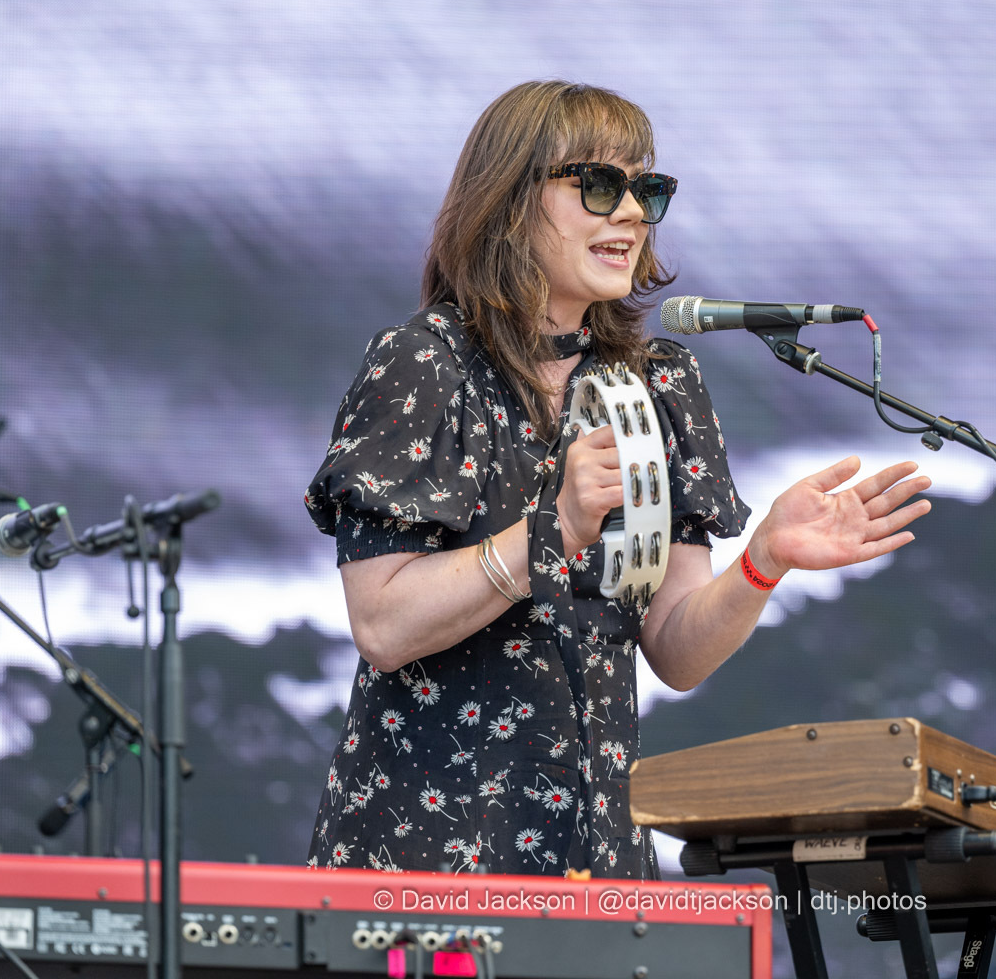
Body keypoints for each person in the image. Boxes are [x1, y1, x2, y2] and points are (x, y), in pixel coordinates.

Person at [302, 80, 932, 877]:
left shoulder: (659, 382)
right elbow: (384, 628)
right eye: (600, 185)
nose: (632, 212)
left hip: (597, 852)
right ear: (509, 201)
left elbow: (676, 651)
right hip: (428, 853)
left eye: (647, 189)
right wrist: (552, 533)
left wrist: (763, 560)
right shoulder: (424, 365)